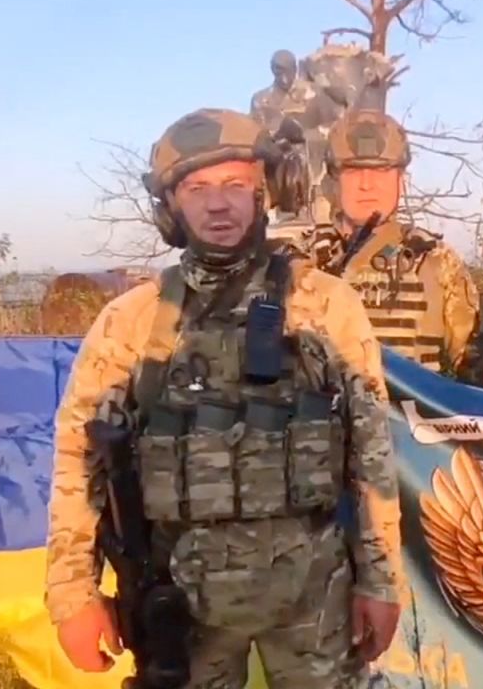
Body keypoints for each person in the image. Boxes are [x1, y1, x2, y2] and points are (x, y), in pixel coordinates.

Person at [44, 108, 403, 688]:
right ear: (171, 206)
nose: (218, 203)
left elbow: (371, 456)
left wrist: (382, 583)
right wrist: (73, 595)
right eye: (197, 187)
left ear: (267, 192)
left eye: (236, 185)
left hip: (314, 596)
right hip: (182, 601)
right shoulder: (133, 321)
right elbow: (78, 460)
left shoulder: (325, 306)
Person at [315, 109, 482, 379]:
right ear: (334, 180)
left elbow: (474, 379)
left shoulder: (435, 262)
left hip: (409, 418)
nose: (366, 185)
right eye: (354, 170)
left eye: (380, 171)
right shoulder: (300, 258)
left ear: (400, 181)